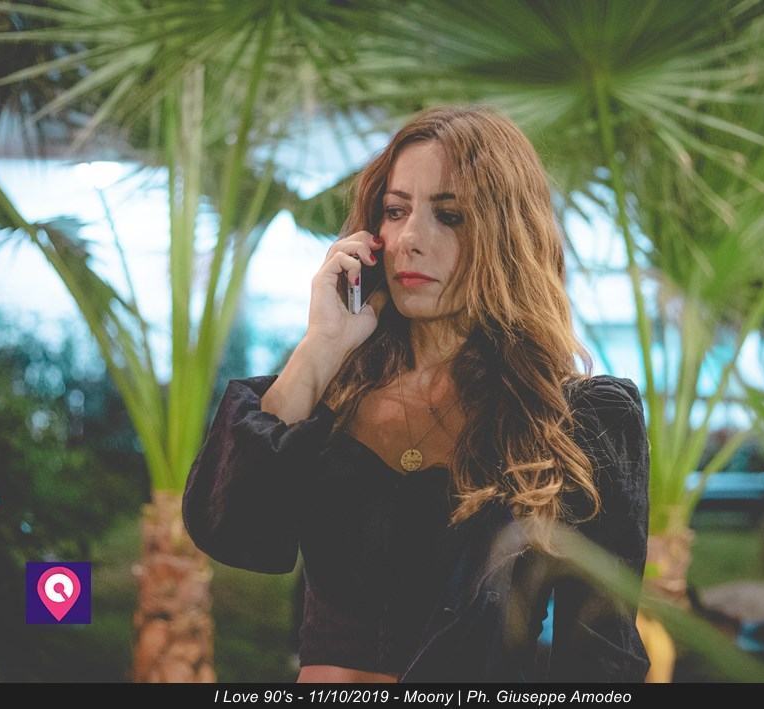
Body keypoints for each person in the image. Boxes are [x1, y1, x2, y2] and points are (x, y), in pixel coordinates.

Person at [182, 105, 651, 682]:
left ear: (507, 237)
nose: (410, 239)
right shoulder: (337, 392)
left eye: (449, 216)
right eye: (396, 210)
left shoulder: (573, 419)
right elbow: (230, 529)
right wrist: (322, 345)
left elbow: (603, 660)